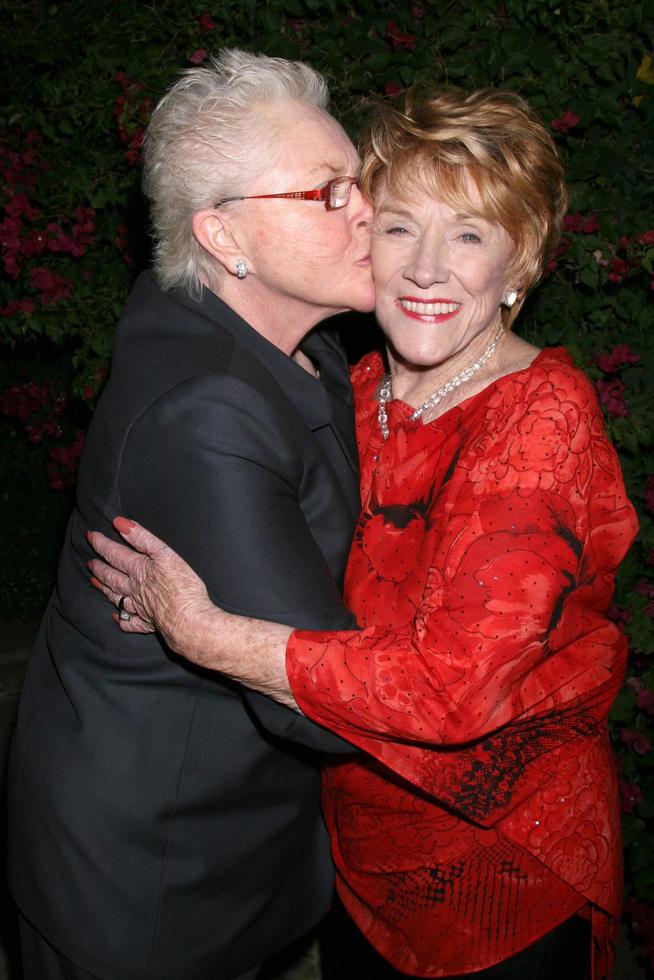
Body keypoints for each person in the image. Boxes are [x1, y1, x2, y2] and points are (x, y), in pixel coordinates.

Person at [88, 86, 638, 980]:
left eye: (468, 234)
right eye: (398, 227)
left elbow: (453, 689)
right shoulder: (359, 386)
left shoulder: (540, 420)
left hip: (496, 875)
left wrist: (207, 634)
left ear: (520, 264)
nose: (425, 267)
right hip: (356, 860)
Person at [7, 49, 376, 980]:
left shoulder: (280, 333)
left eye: (360, 179)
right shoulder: (206, 410)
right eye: (327, 192)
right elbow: (327, 706)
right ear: (224, 236)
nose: (368, 209)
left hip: (234, 829)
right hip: (153, 874)